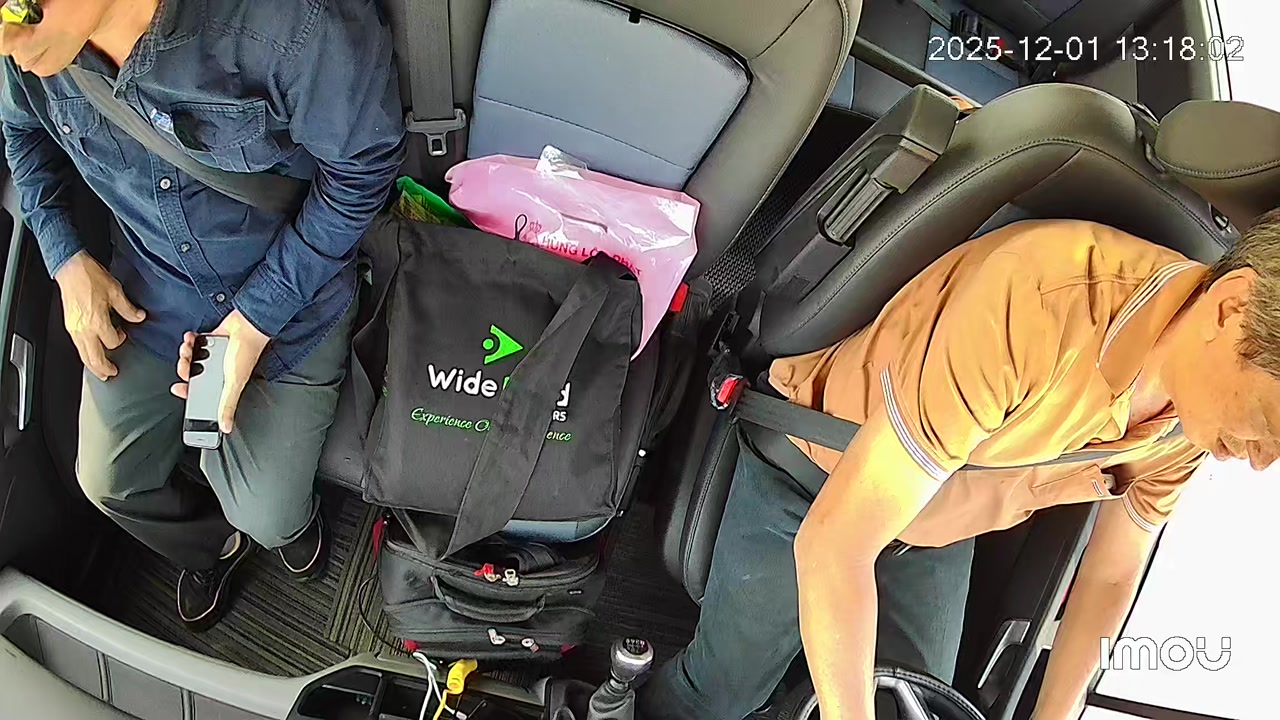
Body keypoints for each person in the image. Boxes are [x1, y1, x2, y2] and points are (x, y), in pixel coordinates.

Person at [639, 211, 1280, 720]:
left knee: (915, 706)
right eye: (1268, 423)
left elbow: (1111, 575)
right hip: (818, 472)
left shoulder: (1193, 420)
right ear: (1230, 308)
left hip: (938, 517)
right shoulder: (1039, 306)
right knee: (723, 694)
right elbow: (833, 544)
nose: (1260, 462)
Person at [0, 0, 405, 630]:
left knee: (269, 515)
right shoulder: (30, 49)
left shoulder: (295, 26)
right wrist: (66, 258)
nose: (5, 38)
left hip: (291, 298)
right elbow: (21, 137)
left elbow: (364, 172)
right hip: (153, 290)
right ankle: (213, 544)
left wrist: (253, 323)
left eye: (18, 4)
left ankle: (287, 526)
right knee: (106, 481)